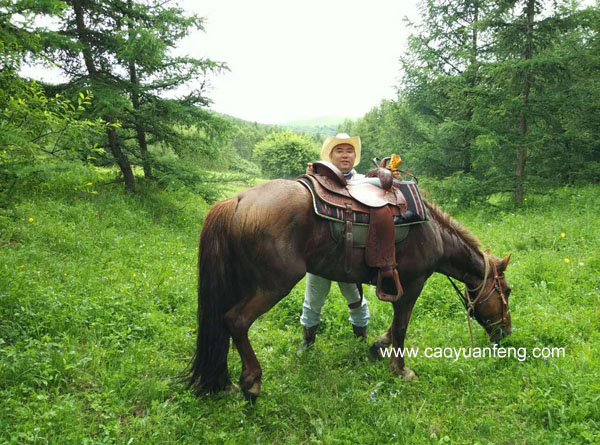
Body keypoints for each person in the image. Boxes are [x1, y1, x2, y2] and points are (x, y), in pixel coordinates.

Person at [298, 133, 370, 353]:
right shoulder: (318, 181)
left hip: (351, 254)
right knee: (312, 301)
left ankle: (361, 339)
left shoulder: (365, 182)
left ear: (355, 155)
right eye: (339, 150)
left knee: (356, 299)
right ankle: (308, 341)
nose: (345, 155)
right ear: (330, 156)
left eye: (349, 150)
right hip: (320, 253)